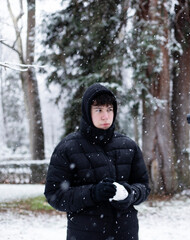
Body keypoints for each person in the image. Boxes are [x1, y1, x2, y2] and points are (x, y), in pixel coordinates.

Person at [44, 83, 150, 240]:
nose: (105, 116)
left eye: (109, 109)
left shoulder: (128, 146)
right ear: (88, 112)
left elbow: (144, 187)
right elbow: (55, 195)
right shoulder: (68, 148)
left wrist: (129, 193)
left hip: (125, 232)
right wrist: (92, 193)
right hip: (85, 233)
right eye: (99, 110)